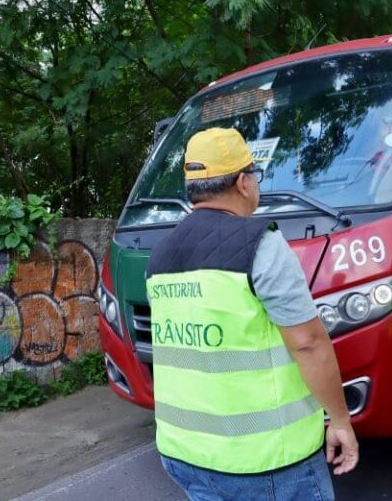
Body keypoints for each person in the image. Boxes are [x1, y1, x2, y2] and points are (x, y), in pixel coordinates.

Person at [145, 127, 358, 501]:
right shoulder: (260, 245)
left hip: (183, 454)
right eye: (254, 177)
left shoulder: (160, 256)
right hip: (266, 461)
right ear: (244, 183)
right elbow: (308, 343)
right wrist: (340, 420)